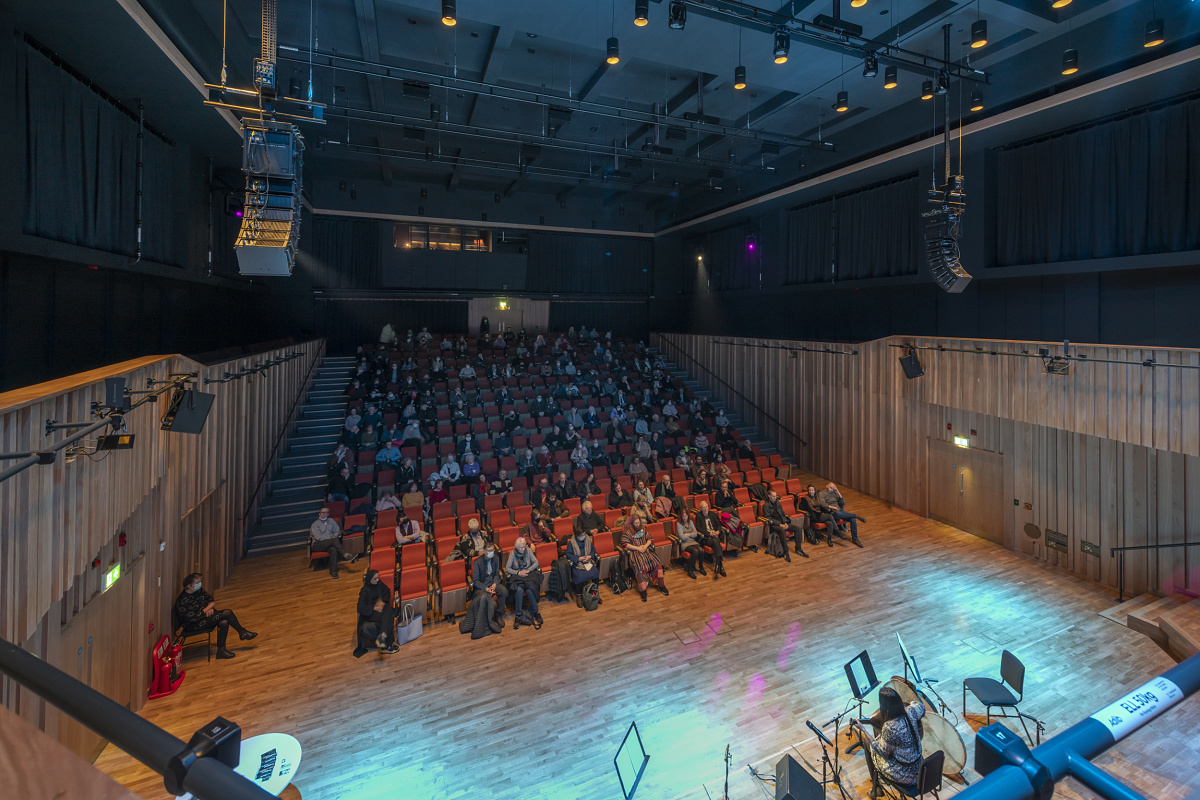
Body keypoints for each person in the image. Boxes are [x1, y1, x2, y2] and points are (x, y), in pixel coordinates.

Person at [173, 573, 256, 660]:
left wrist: (210, 607)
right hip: (193, 625)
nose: (200, 584)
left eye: (200, 581)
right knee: (227, 613)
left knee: (224, 622)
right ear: (189, 586)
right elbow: (192, 618)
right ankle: (242, 633)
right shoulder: (183, 601)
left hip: (203, 617)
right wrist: (208, 608)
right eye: (197, 582)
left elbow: (209, 598)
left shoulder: (198, 590)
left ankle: (222, 651)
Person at [860, 686, 926, 791]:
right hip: (921, 768)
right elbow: (921, 706)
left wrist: (864, 730)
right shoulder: (911, 711)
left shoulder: (890, 727)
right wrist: (911, 704)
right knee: (883, 740)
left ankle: (876, 789)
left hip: (906, 775)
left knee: (868, 742)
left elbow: (883, 753)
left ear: (885, 707)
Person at [622, 516, 667, 602]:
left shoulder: (642, 530)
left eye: (639, 522)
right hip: (635, 552)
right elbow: (625, 544)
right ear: (631, 523)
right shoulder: (627, 532)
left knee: (656, 561)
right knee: (639, 564)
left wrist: (645, 546)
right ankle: (643, 590)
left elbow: (650, 538)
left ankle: (661, 585)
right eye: (636, 523)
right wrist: (638, 548)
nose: (638, 524)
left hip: (645, 550)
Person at [355, 569, 398, 657]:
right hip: (371, 613)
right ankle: (387, 644)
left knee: (389, 610)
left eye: (378, 578)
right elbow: (360, 608)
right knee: (387, 618)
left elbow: (386, 591)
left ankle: (382, 637)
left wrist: (382, 602)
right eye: (375, 578)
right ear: (370, 580)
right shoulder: (364, 591)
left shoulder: (379, 583)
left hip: (381, 608)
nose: (377, 580)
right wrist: (374, 608)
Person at [505, 537, 543, 629]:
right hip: (517, 576)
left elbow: (536, 563)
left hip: (528, 574)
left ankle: (536, 612)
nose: (523, 549)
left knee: (530, 589)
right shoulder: (512, 553)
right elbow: (507, 568)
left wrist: (528, 570)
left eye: (524, 546)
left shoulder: (528, 551)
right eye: (521, 547)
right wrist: (518, 572)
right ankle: (518, 615)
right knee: (519, 590)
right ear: (517, 547)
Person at [310, 507, 357, 578]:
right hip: (318, 544)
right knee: (334, 540)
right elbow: (318, 537)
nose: (323, 514)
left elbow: (337, 530)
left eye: (325, 513)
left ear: (328, 514)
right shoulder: (315, 524)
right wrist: (331, 539)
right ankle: (345, 555)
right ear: (319, 514)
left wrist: (334, 536)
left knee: (333, 550)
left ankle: (333, 572)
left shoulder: (331, 521)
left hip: (329, 543)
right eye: (322, 513)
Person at [762, 490, 807, 560]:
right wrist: (780, 524)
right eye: (773, 496)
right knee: (782, 531)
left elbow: (783, 514)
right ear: (769, 496)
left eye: (775, 496)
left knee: (797, 529)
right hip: (774, 525)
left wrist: (785, 522)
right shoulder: (766, 505)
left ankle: (798, 549)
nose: (775, 498)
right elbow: (768, 518)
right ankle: (786, 552)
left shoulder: (778, 503)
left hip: (782, 522)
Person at [471, 542, 508, 624]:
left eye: (493, 550)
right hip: (482, 586)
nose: (492, 552)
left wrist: (494, 584)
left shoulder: (496, 558)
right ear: (484, 551)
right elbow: (476, 581)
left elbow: (496, 574)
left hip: (492, 583)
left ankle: (498, 614)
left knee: (503, 590)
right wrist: (486, 589)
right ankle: (486, 618)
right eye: (489, 550)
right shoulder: (478, 562)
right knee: (484, 596)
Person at [819, 482, 866, 547]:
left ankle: (855, 539)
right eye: (830, 487)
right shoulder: (822, 493)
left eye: (833, 488)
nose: (832, 489)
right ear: (826, 486)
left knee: (852, 519)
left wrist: (837, 491)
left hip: (840, 511)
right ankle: (856, 515)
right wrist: (833, 507)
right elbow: (823, 504)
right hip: (831, 512)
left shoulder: (834, 493)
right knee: (838, 513)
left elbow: (843, 503)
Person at [565, 527, 600, 607]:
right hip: (578, 563)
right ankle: (579, 596)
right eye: (582, 535)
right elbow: (568, 555)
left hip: (588, 561)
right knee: (579, 576)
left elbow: (593, 549)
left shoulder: (587, 539)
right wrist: (579, 558)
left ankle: (595, 593)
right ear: (577, 536)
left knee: (595, 573)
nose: (584, 536)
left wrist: (589, 556)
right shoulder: (572, 542)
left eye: (584, 534)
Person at [694, 500, 727, 578]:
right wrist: (709, 534)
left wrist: (718, 531)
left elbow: (719, 524)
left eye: (706, 507)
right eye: (703, 507)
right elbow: (698, 528)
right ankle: (720, 566)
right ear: (700, 509)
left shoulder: (712, 514)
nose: (705, 509)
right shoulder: (698, 516)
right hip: (706, 538)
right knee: (717, 543)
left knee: (716, 542)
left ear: (708, 507)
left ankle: (718, 566)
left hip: (715, 536)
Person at [675, 510, 706, 579]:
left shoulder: (691, 522)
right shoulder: (679, 524)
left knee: (701, 550)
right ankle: (690, 570)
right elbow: (681, 537)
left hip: (692, 541)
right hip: (685, 543)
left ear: (688, 516)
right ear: (680, 517)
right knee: (695, 551)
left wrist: (687, 534)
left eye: (685, 516)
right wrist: (691, 534)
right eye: (683, 516)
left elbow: (695, 534)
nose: (684, 518)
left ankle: (701, 567)